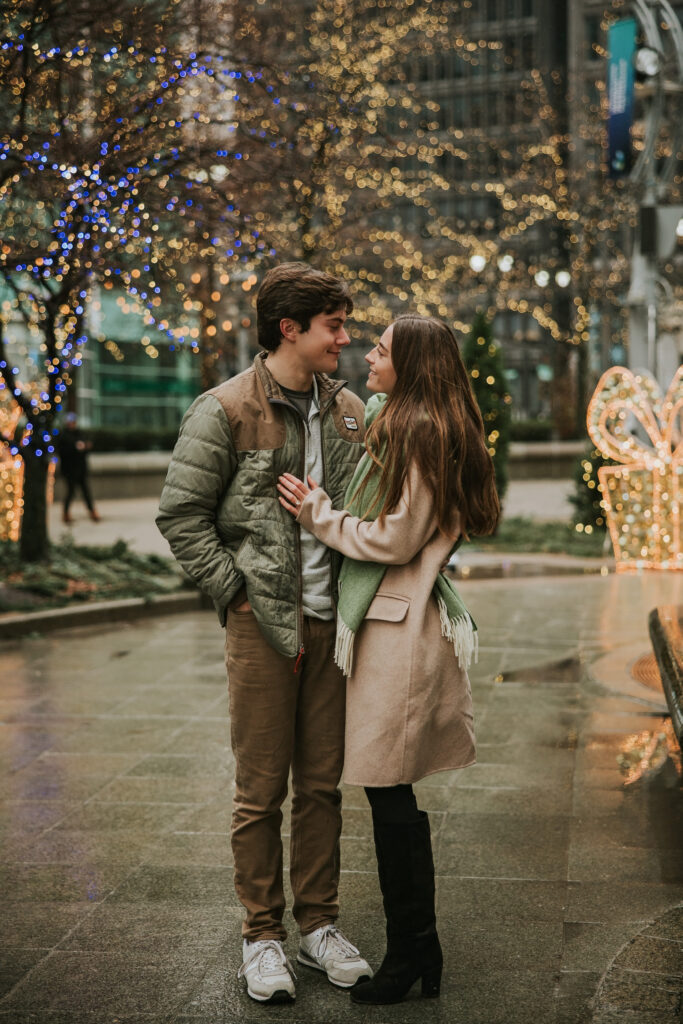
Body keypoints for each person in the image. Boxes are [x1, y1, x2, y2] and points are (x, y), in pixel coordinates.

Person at [156, 263, 371, 1004]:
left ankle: (318, 926)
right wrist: (236, 594)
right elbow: (181, 516)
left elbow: (370, 506)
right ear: (290, 328)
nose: (344, 338)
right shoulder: (223, 410)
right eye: (333, 326)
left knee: (321, 787)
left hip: (331, 626)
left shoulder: (349, 411)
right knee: (259, 793)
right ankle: (262, 937)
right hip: (262, 629)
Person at [277, 314, 500, 1005]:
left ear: (412, 364)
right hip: (394, 623)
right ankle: (417, 948)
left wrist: (319, 514)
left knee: (389, 793)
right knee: (388, 792)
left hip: (399, 630)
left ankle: (412, 951)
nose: (368, 357)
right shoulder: (413, 425)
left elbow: (394, 538)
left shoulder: (422, 433)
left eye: (380, 349)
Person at [56, 412, 100, 524]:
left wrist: (85, 447)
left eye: (73, 422)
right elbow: (62, 452)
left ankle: (92, 512)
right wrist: (75, 448)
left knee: (86, 491)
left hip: (81, 468)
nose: (72, 424)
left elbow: (86, 447)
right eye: (70, 422)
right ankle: (66, 514)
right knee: (70, 492)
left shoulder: (80, 434)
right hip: (69, 469)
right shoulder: (63, 436)